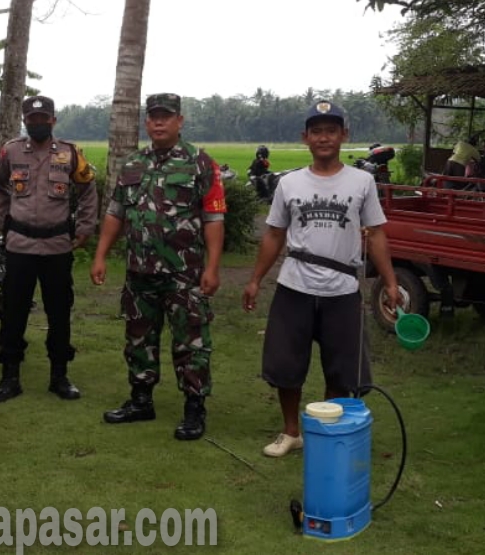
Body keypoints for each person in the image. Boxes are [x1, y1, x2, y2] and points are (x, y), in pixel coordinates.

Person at [240, 99, 401, 458]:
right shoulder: (290, 183)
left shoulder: (362, 181)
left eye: (331, 130)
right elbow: (273, 234)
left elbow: (375, 234)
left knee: (343, 369)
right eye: (317, 131)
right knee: (285, 364)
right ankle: (291, 432)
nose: (324, 137)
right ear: (305, 137)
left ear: (343, 135)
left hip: (343, 290)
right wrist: (254, 279)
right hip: (294, 285)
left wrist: (389, 282)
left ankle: (328, 435)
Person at [90, 93, 226, 441]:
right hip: (139, 273)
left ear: (180, 121)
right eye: (153, 117)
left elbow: (213, 218)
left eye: (166, 116)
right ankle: (140, 400)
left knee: (191, 343)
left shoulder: (200, 163)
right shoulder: (133, 164)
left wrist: (212, 267)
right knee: (138, 339)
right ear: (146, 122)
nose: (159, 122)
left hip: (185, 275)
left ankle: (194, 408)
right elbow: (115, 213)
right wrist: (101, 255)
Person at [0, 96, 99, 403]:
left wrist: (86, 227)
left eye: (43, 118)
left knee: (59, 312)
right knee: (13, 312)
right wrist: (2, 221)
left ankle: (59, 376)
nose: (37, 123)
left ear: (53, 120)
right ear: (25, 120)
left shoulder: (69, 153)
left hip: (57, 246)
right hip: (20, 245)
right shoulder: (11, 151)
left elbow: (88, 188)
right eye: (32, 119)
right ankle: (10, 377)